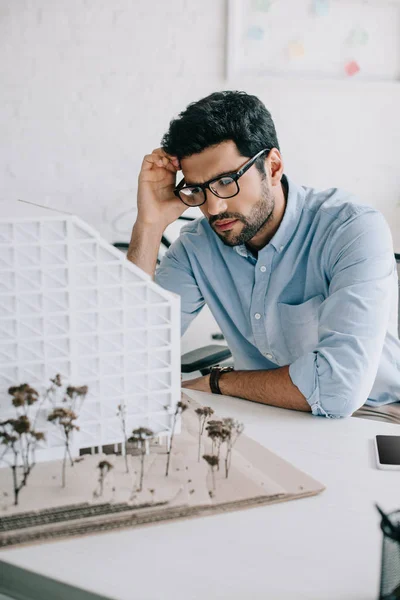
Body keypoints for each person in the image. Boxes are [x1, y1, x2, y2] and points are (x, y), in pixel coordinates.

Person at [127, 90, 400, 419]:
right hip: (265, 413)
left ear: (272, 167)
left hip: (373, 415)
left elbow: (338, 390)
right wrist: (149, 224)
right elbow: (129, 353)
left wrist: (218, 382)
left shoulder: (352, 229)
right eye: (197, 189)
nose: (213, 208)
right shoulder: (198, 246)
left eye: (227, 182)